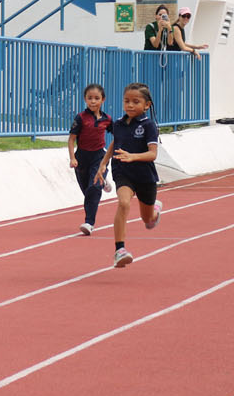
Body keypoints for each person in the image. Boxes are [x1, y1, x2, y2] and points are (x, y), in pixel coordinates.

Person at [95, 82, 163, 268]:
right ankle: (120, 250)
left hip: (145, 175)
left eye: (136, 101)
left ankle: (154, 211)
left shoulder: (149, 126)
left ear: (147, 105)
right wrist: (103, 163)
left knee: (147, 220)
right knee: (124, 203)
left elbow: (153, 154)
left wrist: (133, 156)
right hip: (123, 172)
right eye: (126, 101)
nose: (130, 105)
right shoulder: (118, 124)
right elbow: (115, 143)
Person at [68, 83, 114, 237]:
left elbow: (118, 135)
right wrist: (73, 158)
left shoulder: (107, 119)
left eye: (96, 98)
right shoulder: (80, 118)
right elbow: (71, 139)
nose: (93, 101)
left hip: (99, 157)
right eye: (89, 98)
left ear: (103, 100)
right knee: (87, 190)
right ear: (85, 100)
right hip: (82, 158)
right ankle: (104, 183)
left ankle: (89, 223)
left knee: (94, 188)